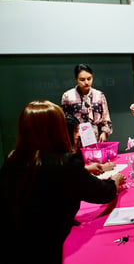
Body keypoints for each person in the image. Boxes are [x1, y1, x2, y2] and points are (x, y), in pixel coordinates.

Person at [0, 100, 125, 264]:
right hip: (44, 250)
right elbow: (100, 193)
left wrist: (85, 170)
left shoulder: (13, 159)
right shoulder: (66, 163)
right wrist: (114, 181)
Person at [61, 63, 113, 142]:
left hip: (97, 136)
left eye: (89, 78)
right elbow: (65, 120)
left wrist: (104, 132)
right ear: (76, 79)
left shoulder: (99, 95)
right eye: (82, 79)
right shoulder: (68, 96)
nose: (86, 82)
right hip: (77, 138)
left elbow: (106, 117)